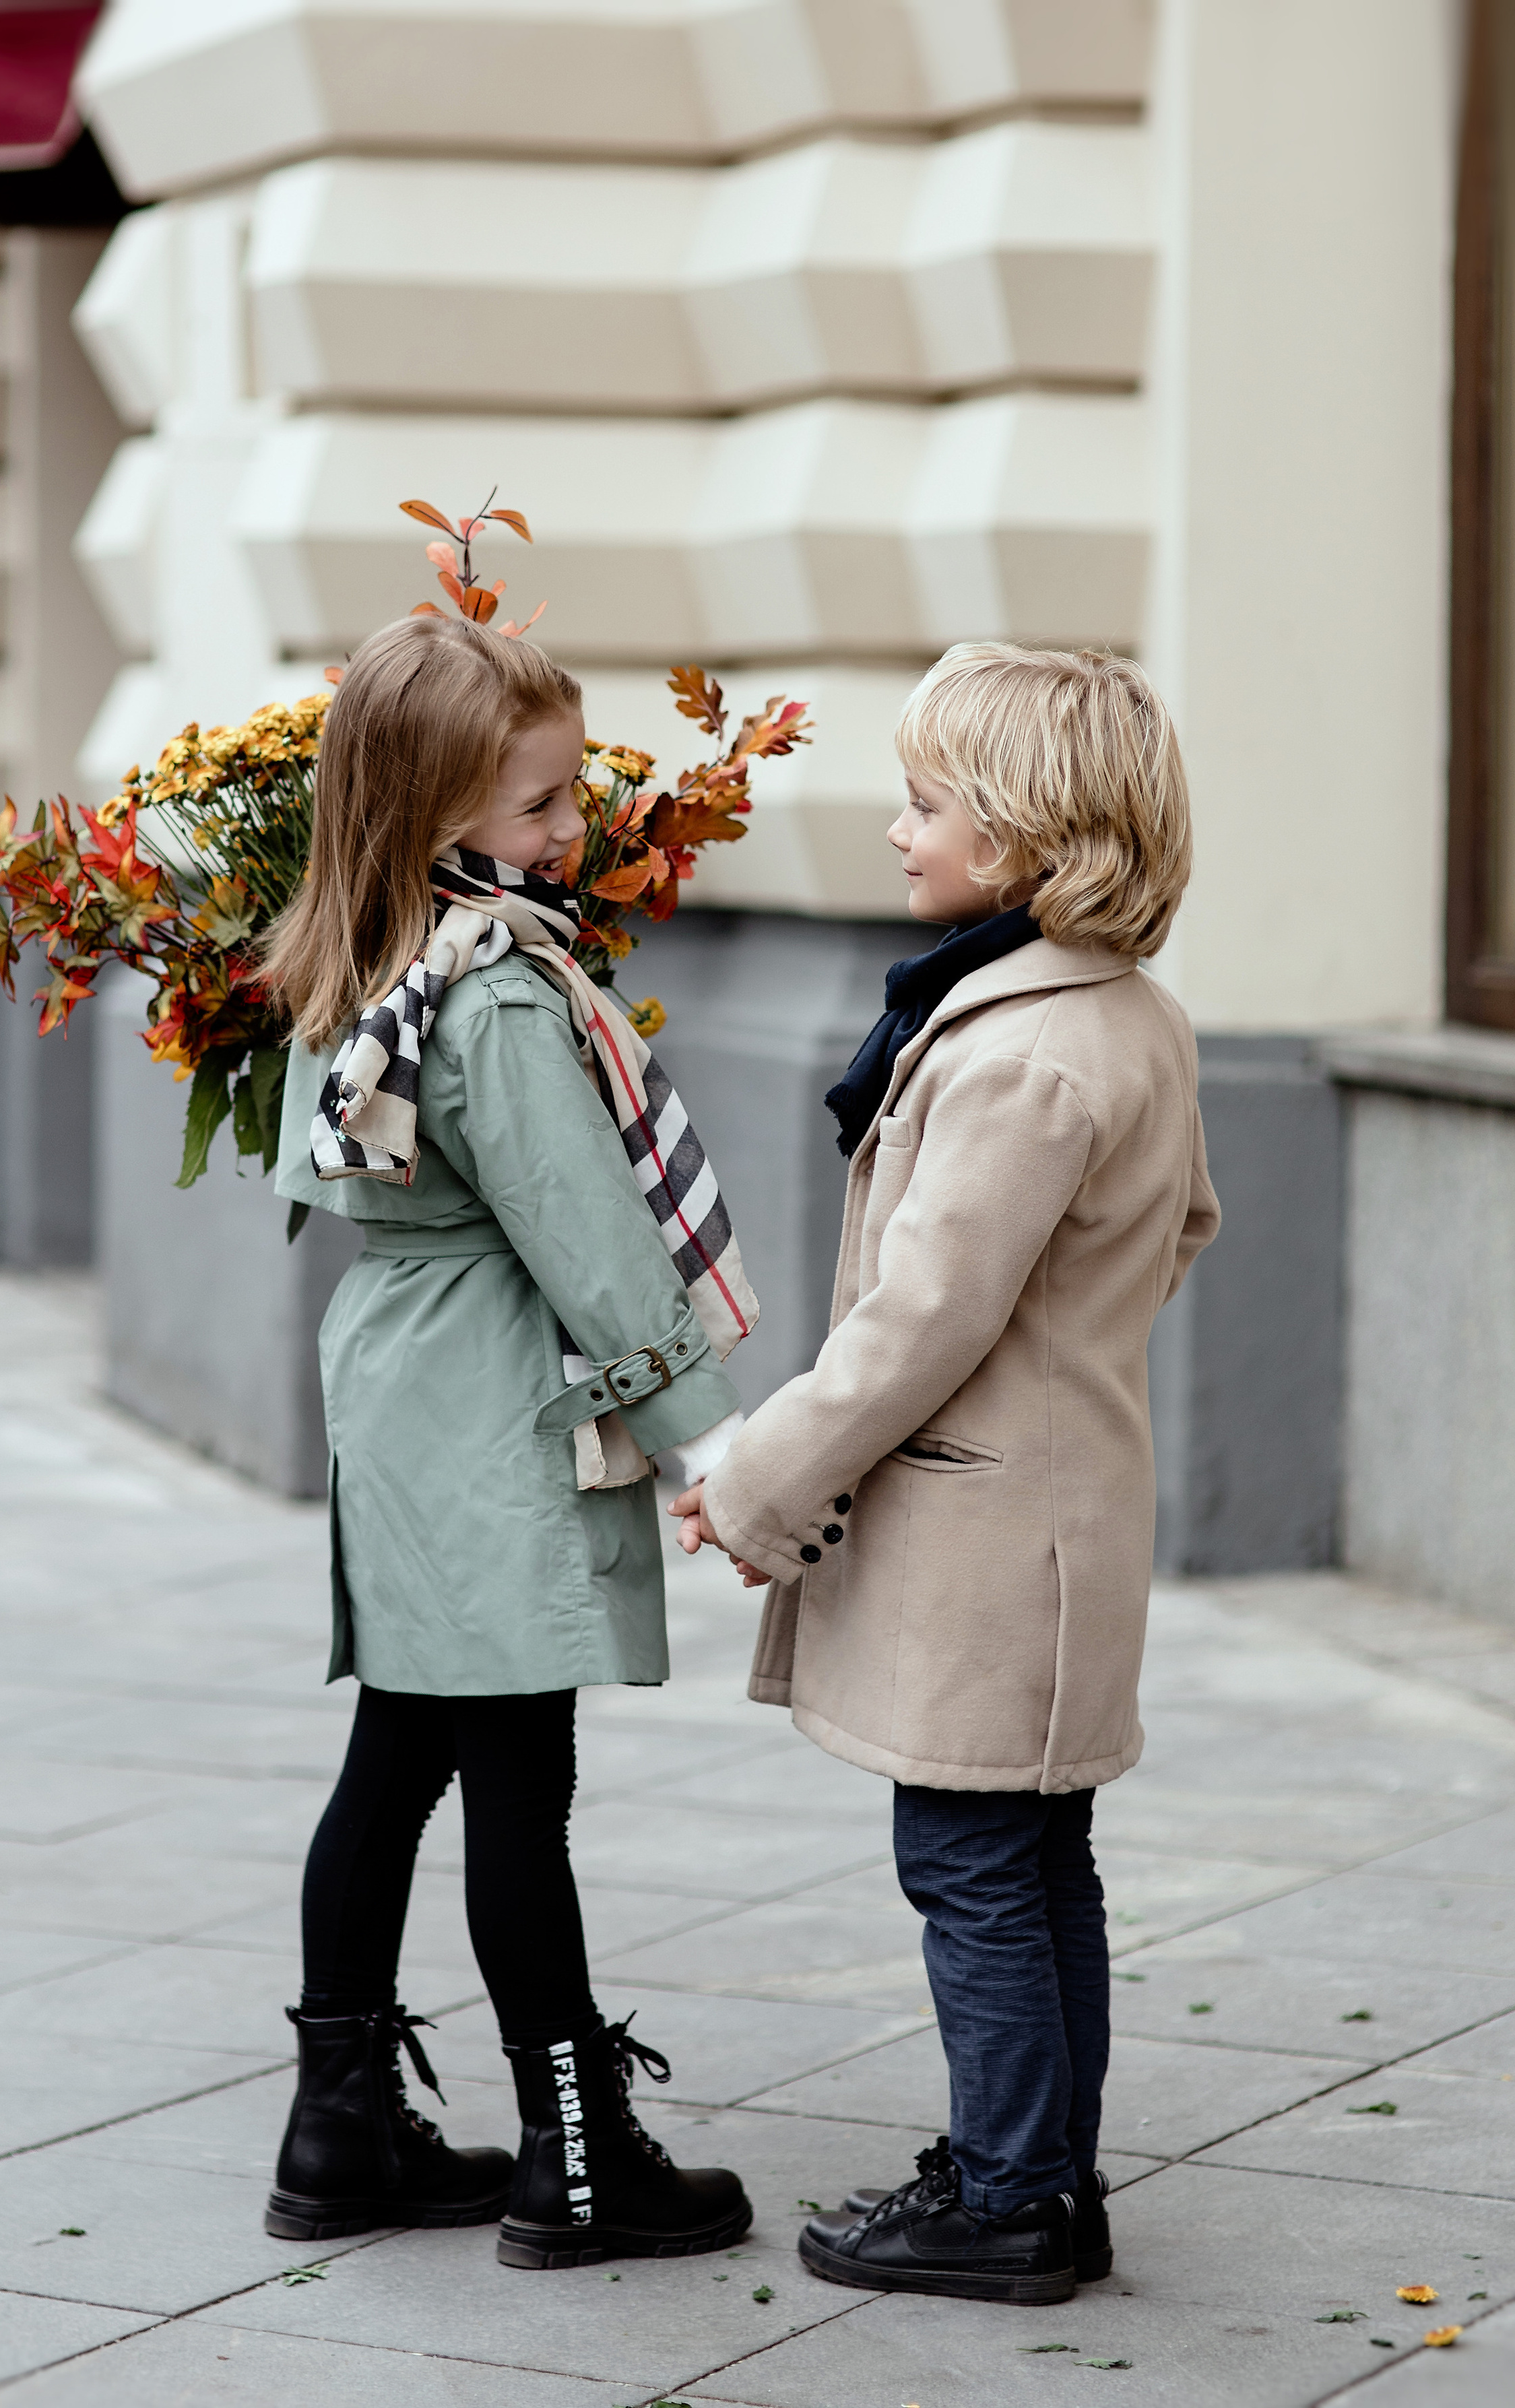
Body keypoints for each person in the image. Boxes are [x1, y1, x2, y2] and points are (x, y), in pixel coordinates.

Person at [672, 644, 1220, 2306]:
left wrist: (761, 1477)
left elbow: (919, 1320)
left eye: (924, 801)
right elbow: (1178, 1229)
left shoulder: (1020, 1054)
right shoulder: (1120, 1021)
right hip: (1057, 1501)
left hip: (991, 1526)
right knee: (1035, 1857)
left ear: (1022, 834)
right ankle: (1039, 2174)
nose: (895, 828)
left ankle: (1007, 2197)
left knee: (972, 1863)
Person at [261, 612, 755, 2269]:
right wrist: (712, 1450)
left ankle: (338, 2130)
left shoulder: (361, 962)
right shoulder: (496, 996)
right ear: (437, 816)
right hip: (495, 1402)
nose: (571, 836)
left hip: (401, 1386)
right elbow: (594, 1244)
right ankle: (577, 2148)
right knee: (514, 1785)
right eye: (541, 809)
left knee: (395, 1763)